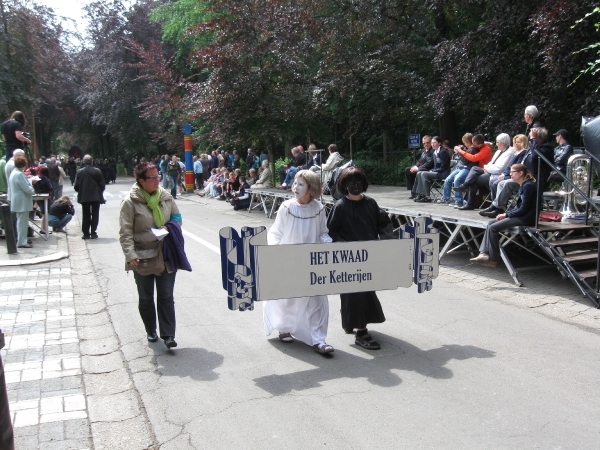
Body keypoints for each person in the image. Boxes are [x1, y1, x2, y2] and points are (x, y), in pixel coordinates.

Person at [263, 170, 334, 354]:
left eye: (301, 184)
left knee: (316, 299)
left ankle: (318, 339)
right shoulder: (287, 207)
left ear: (311, 189)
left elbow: (322, 233)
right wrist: (277, 251)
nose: (295, 187)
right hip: (290, 260)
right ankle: (284, 327)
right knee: (288, 296)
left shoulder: (318, 208)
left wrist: (329, 246)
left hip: (312, 262)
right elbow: (276, 232)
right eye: (295, 183)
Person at [327, 167, 393, 349]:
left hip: (369, 258)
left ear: (363, 184)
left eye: (358, 183)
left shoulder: (371, 204)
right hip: (348, 260)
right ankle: (361, 333)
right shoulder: (340, 206)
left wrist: (387, 242)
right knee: (352, 294)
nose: (355, 186)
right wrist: (344, 247)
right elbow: (331, 231)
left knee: (365, 293)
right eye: (350, 183)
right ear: (344, 185)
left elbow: (384, 223)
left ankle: (351, 322)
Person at [119, 161, 183, 349]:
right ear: (140, 181)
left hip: (166, 252)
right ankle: (150, 329)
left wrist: (170, 226)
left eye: (158, 176)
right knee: (146, 298)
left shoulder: (166, 197)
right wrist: (130, 254)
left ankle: (168, 335)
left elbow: (178, 217)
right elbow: (125, 231)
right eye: (152, 177)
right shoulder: (130, 202)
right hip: (142, 256)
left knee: (166, 295)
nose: (157, 180)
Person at [470, 164, 537, 268]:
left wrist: (506, 214)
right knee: (491, 223)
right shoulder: (524, 185)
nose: (510, 174)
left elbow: (523, 209)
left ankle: (492, 259)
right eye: (510, 172)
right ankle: (483, 253)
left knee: (493, 227)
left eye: (513, 172)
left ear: (521, 173)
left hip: (526, 218)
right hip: (521, 215)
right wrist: (507, 214)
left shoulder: (528, 186)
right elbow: (519, 207)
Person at [454, 133, 515, 211]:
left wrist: (487, 169)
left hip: (497, 174)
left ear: (503, 143)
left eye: (497, 142)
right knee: (474, 170)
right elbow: (491, 162)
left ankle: (469, 198)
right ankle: (467, 194)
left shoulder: (509, 152)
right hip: (488, 170)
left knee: (473, 179)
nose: (496, 144)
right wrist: (486, 168)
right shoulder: (499, 151)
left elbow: (500, 168)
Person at [480, 134, 530, 217]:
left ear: (524, 143)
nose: (516, 144)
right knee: (499, 183)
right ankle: (498, 208)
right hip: (510, 174)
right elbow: (509, 167)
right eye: (515, 142)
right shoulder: (516, 153)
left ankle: (495, 206)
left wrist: (505, 175)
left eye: (519, 142)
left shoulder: (524, 153)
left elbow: (518, 169)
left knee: (501, 183)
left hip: (519, 178)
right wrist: (504, 173)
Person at [438, 133, 478, 206]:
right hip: (460, 168)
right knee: (448, 179)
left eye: (465, 143)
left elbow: (466, 161)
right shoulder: (469, 149)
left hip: (467, 168)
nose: (464, 144)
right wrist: (462, 150)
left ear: (468, 142)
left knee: (457, 179)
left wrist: (459, 152)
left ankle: (459, 200)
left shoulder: (473, 149)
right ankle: (446, 198)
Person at [8, 155, 38, 248]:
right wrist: (31, 185)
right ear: (23, 165)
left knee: (21, 222)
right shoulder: (20, 174)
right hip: (22, 201)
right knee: (22, 223)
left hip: (18, 200)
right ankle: (22, 241)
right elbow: (27, 189)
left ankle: (22, 240)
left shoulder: (14, 172)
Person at [74, 154, 106, 239]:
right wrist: (99, 191)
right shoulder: (97, 171)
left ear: (83, 162)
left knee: (86, 214)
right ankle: (93, 232)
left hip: (84, 196)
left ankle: (86, 233)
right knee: (95, 214)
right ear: (92, 161)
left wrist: (81, 191)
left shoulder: (80, 172)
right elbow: (102, 184)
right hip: (95, 196)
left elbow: (76, 186)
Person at [412, 136, 451, 202]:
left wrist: (432, 170)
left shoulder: (443, 152)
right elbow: (436, 166)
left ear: (439, 143)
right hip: (437, 171)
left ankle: (427, 197)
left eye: (434, 143)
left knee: (424, 174)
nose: (433, 144)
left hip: (443, 173)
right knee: (419, 173)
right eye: (432, 143)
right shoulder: (434, 152)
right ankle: (420, 194)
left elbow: (443, 168)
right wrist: (432, 170)